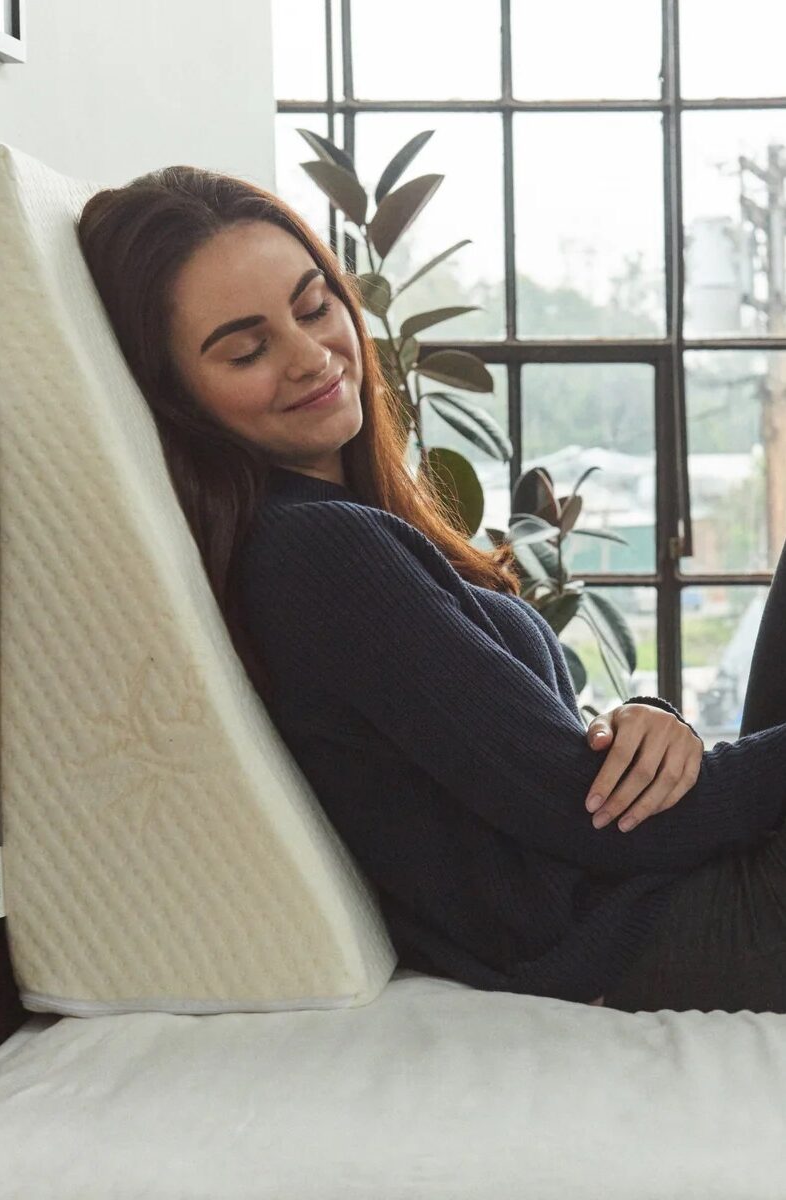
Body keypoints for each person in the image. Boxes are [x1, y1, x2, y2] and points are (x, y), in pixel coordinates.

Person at [76, 165, 786, 1013]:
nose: (310, 357)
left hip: (651, 901)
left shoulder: (348, 523)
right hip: (651, 928)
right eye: (245, 349)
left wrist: (653, 728)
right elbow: (580, 816)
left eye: (313, 307)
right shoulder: (317, 553)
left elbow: (537, 763)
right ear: (177, 396)